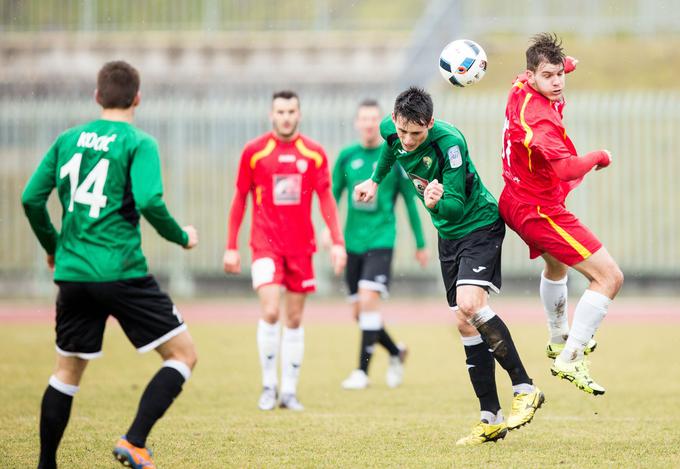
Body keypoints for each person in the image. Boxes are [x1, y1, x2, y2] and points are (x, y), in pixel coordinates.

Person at [21, 60, 198, 469]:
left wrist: (54, 246)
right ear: (138, 98)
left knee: (67, 370)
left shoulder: (68, 139)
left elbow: (31, 198)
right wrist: (182, 237)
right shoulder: (138, 143)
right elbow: (151, 201)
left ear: (97, 97)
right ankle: (134, 441)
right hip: (121, 270)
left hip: (74, 273)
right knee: (182, 355)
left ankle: (46, 464)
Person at [354, 87, 543, 446]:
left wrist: (435, 202)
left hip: (479, 225)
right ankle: (491, 417)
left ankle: (525, 387)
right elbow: (390, 151)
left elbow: (455, 207)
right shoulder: (391, 130)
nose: (408, 141)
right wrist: (375, 181)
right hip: (449, 238)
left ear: (431, 123)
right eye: (403, 131)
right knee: (463, 320)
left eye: (417, 133)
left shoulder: (450, 144)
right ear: (394, 120)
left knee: (472, 305)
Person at [498, 33, 624, 395]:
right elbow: (567, 169)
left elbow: (550, 68)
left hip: (516, 197)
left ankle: (557, 337)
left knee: (557, 267)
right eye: (549, 76)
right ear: (531, 75)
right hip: (540, 210)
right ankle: (570, 356)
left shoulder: (521, 86)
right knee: (609, 278)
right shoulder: (539, 120)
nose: (556, 82)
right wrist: (599, 155)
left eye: (559, 74)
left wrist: (565, 64)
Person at [223, 90, 346, 412]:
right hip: (265, 245)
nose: (286, 117)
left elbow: (326, 198)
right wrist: (231, 247)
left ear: (299, 114)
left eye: (291, 111)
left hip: (301, 248)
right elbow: (239, 199)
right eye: (280, 111)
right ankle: (268, 386)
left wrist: (337, 241)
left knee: (293, 318)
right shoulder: (254, 152)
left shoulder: (314, 153)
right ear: (271, 115)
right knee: (271, 311)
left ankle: (289, 391)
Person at [331, 99, 429, 390]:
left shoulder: (396, 158)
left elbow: (411, 204)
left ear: (382, 123)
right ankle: (396, 352)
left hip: (382, 240)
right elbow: (331, 196)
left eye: (374, 119)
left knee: (368, 300)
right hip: (352, 243)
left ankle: (361, 372)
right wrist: (330, 232)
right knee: (361, 312)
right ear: (357, 123)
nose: (369, 124)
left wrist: (421, 243)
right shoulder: (347, 157)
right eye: (364, 119)